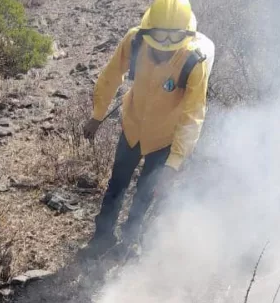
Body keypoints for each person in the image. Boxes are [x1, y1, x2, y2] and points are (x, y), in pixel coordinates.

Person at [79, 0, 214, 259]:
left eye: (173, 38)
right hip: (132, 128)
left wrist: (174, 163)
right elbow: (110, 76)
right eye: (159, 36)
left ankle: (130, 242)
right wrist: (97, 115)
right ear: (147, 30)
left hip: (164, 138)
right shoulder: (134, 41)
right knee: (116, 185)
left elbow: (193, 115)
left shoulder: (193, 62)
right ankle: (102, 238)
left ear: (186, 34)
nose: (165, 45)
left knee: (145, 192)